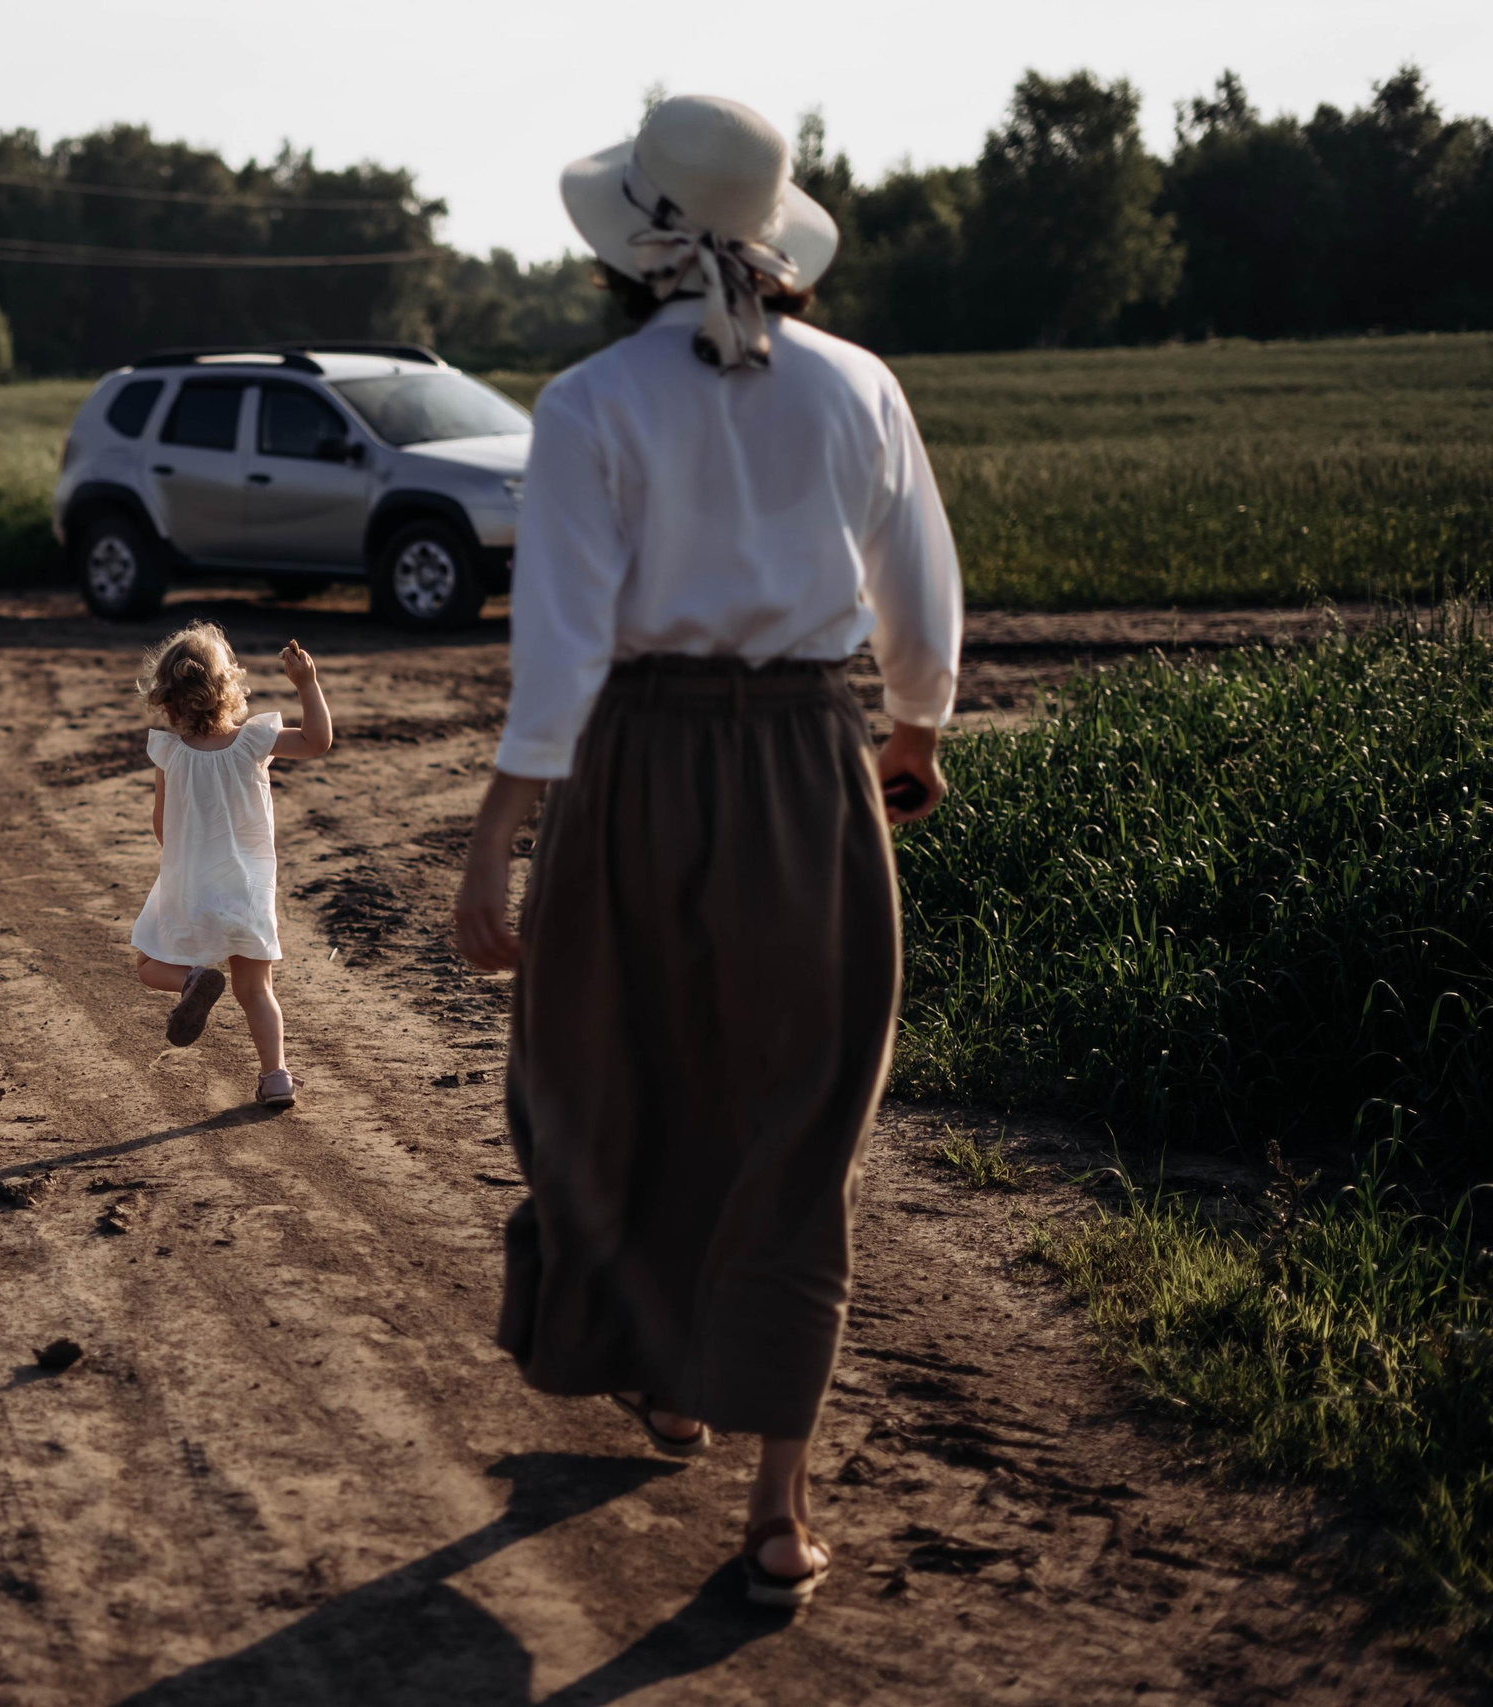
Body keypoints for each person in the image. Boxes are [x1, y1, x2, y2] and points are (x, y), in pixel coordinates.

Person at [452, 95, 964, 1609]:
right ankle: (778, 1509)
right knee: (798, 1112)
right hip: (811, 766)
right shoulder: (857, 387)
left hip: (631, 768)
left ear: (627, 244)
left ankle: (660, 1364)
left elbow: (556, 660)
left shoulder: (590, 403)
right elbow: (920, 600)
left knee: (606, 1070)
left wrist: (494, 841)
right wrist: (916, 734)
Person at [131, 624, 333, 1109]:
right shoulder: (254, 742)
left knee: (147, 964)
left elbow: (162, 827)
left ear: (168, 700)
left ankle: (192, 981)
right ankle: (276, 1077)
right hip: (247, 887)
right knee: (256, 989)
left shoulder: (169, 753)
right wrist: (306, 684)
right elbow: (316, 741)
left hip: (191, 884)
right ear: (228, 690)